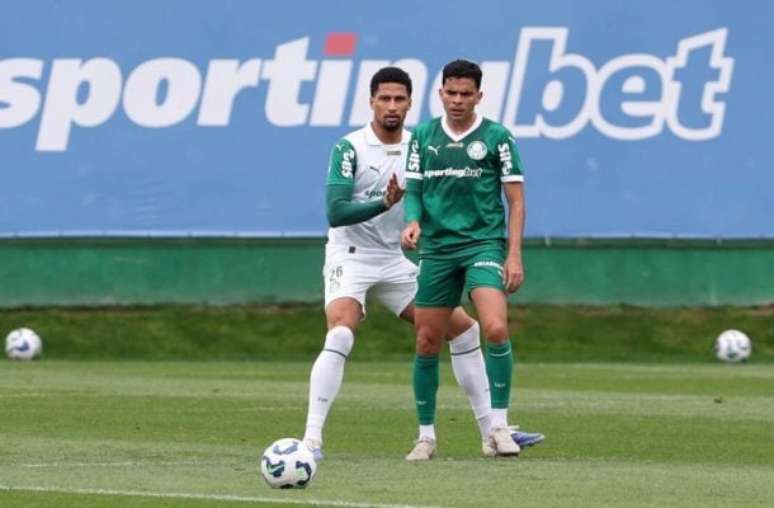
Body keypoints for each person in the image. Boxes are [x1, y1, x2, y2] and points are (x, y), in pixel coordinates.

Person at [302, 66, 543, 462]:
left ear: (411, 103)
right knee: (342, 332)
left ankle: (494, 430)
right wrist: (384, 203)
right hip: (352, 257)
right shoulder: (350, 147)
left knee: (465, 332)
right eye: (385, 99)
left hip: (398, 260)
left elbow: (442, 197)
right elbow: (335, 211)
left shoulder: (423, 143)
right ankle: (311, 438)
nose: (392, 106)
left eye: (400, 99)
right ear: (371, 102)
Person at [401, 59, 528, 461]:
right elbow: (414, 192)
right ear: (440, 93)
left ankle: (499, 428)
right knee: (426, 341)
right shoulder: (422, 136)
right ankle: (426, 437)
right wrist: (412, 221)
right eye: (450, 93)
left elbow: (516, 201)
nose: (457, 100)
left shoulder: (497, 137)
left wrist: (513, 254)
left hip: (483, 246)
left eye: (465, 94)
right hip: (437, 249)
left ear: (479, 96)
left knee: (494, 328)